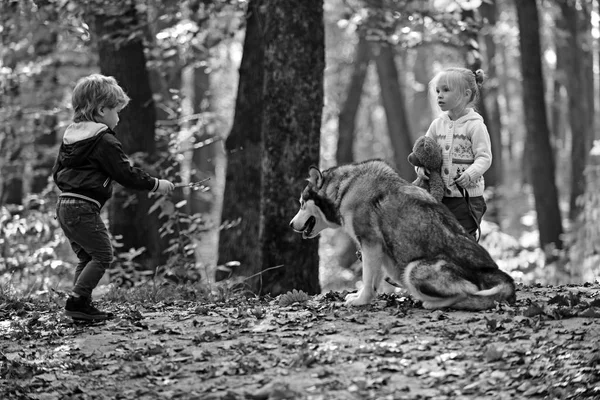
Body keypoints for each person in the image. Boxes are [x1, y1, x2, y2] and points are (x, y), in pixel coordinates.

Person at [53, 74, 175, 321]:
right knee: (103, 255)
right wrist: (155, 184)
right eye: (116, 111)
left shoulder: (71, 137)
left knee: (88, 257)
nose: (118, 118)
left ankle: (81, 306)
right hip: (82, 207)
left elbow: (57, 173)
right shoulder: (104, 140)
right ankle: (76, 301)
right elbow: (125, 173)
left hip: (64, 205)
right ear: (100, 110)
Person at [413, 67, 492, 240]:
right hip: (440, 197)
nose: (439, 95)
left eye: (446, 90)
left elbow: (484, 157)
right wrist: (422, 171)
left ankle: (470, 266)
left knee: (463, 239)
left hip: (467, 199)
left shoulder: (475, 126)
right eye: (437, 91)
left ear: (466, 94)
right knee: (440, 239)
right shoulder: (437, 125)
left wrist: (470, 174)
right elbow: (423, 154)